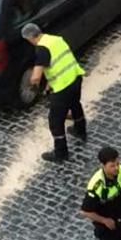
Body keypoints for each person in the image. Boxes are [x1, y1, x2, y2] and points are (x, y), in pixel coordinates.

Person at [23, 23, 86, 162]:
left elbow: (36, 76)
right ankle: (80, 130)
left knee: (55, 122)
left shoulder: (41, 49)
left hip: (63, 87)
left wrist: (32, 85)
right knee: (75, 104)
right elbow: (58, 64)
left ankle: (61, 153)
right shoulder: (56, 39)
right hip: (75, 77)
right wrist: (48, 86)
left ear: (29, 38)